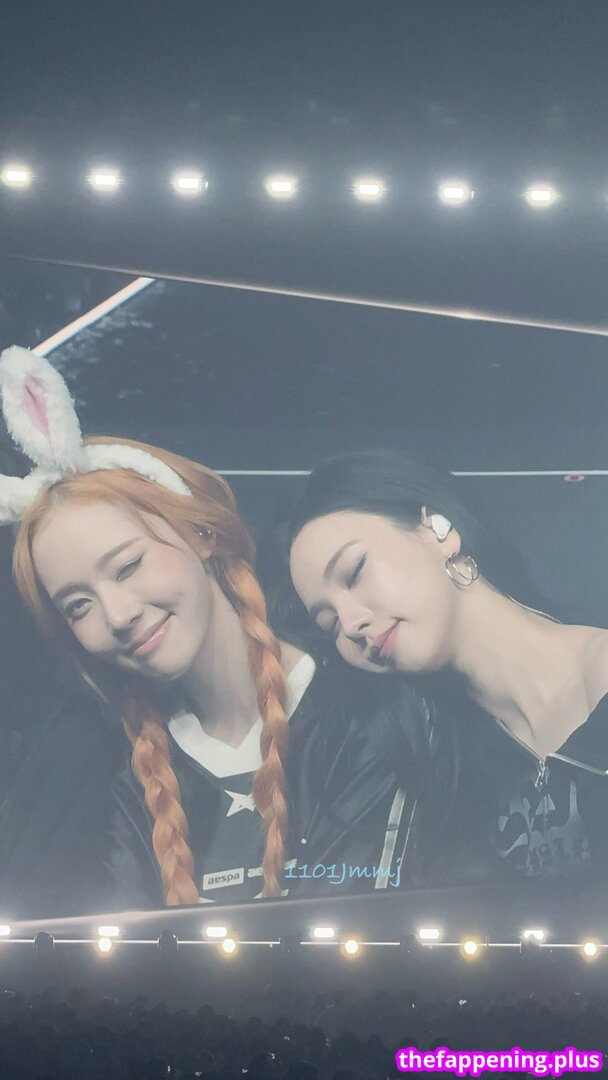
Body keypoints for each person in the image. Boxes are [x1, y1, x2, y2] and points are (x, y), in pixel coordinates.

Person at [0, 348, 448, 914]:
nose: (116, 615)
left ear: (202, 534)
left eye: (129, 565)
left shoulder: (369, 710)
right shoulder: (120, 772)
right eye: (78, 605)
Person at [287, 449, 608, 883]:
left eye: (354, 571)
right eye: (329, 624)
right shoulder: (438, 773)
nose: (351, 623)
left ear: (438, 530)